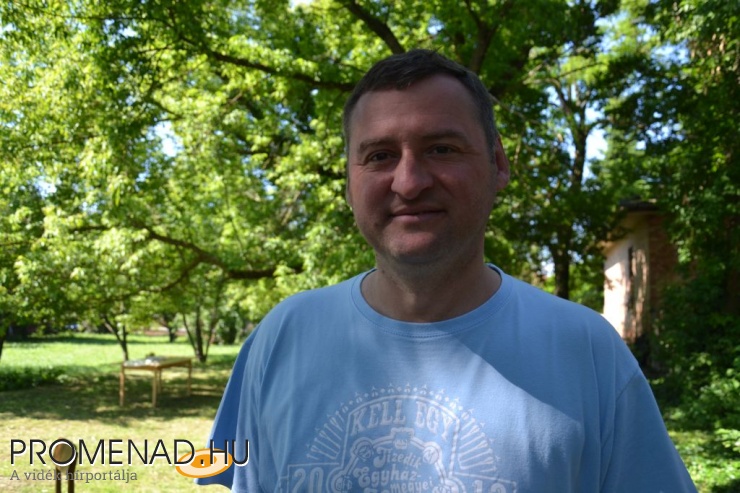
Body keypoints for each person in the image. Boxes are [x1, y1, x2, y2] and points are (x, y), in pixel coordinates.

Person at [197, 49, 696, 492]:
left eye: (441, 149)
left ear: (498, 164)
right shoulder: (281, 339)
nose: (409, 183)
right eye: (379, 156)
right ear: (349, 183)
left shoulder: (587, 352)